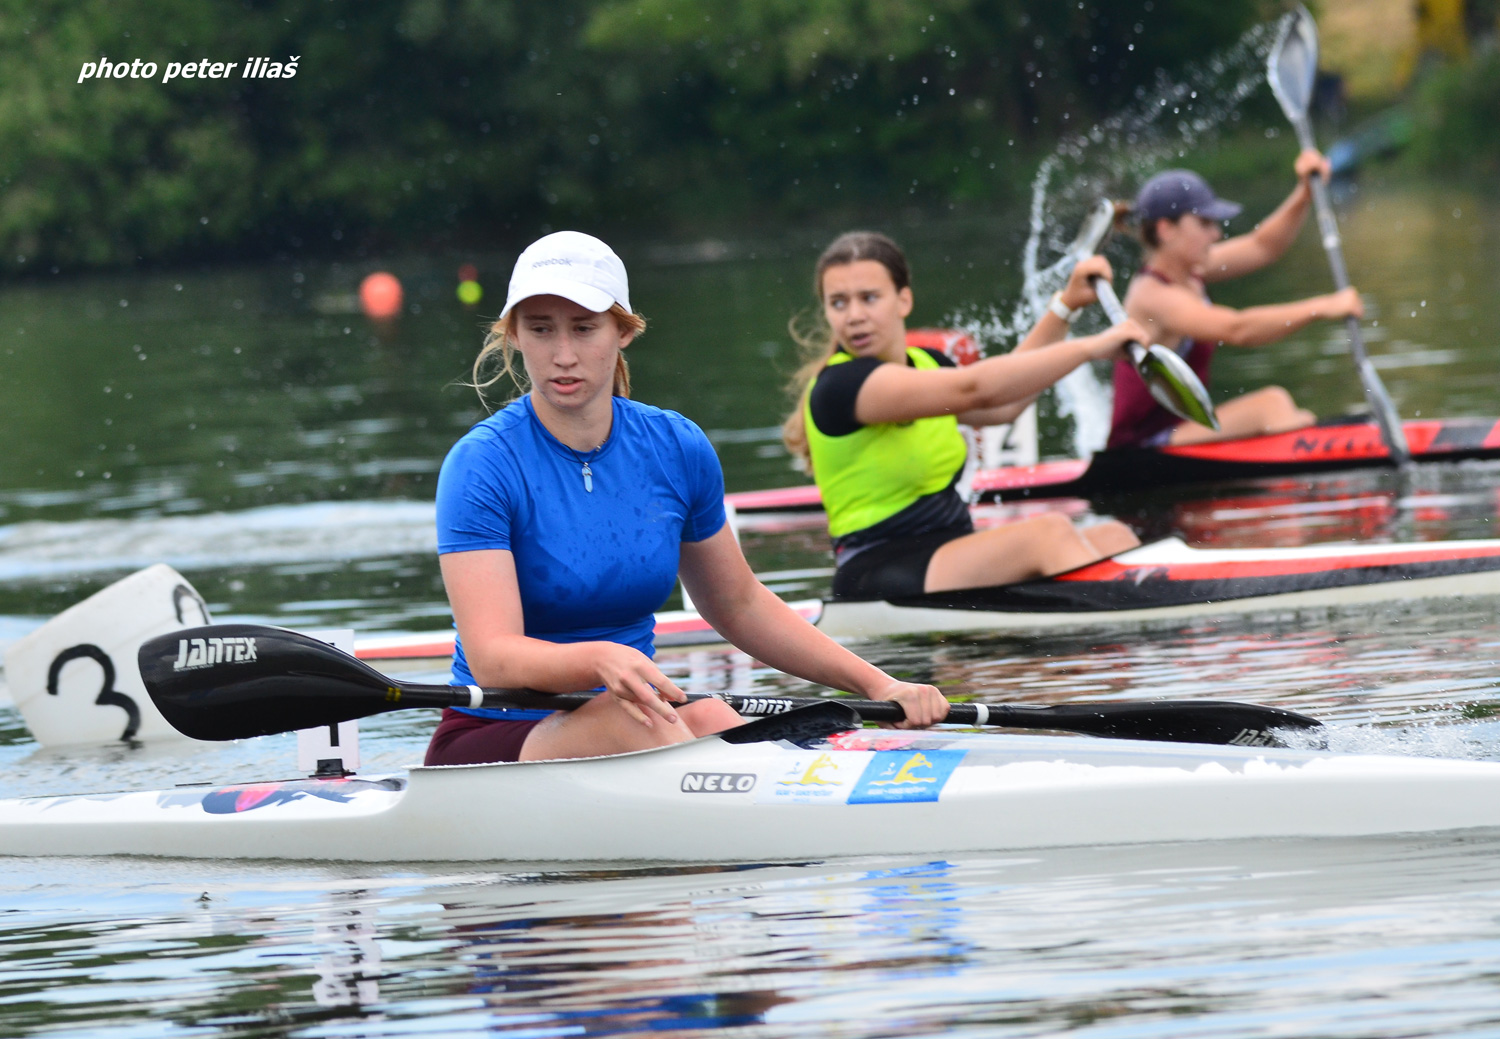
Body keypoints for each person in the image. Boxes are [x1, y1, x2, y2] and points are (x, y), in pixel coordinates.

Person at [426, 231, 948, 766]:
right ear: (514, 334)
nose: (563, 355)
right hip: (496, 731)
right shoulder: (482, 465)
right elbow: (492, 658)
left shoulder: (676, 447)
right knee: (659, 730)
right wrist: (601, 658)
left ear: (623, 331)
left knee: (719, 721)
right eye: (540, 330)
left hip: (641, 715)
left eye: (585, 329)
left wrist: (879, 685)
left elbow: (739, 604)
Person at [781, 230, 1150, 602]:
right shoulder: (842, 387)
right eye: (839, 303)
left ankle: (1129, 622)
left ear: (903, 300)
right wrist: (1091, 347)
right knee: (1049, 534)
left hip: (948, 551)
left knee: (1114, 536)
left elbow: (1003, 405)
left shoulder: (929, 365)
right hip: (876, 570)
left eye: (869, 298)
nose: (854, 316)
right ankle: (1140, 621)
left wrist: (1067, 306)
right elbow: (978, 387)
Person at [1111, 152, 1366, 450]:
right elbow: (1237, 329)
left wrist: (1304, 194)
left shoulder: (1191, 270)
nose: (1216, 233)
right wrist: (1321, 307)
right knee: (1270, 405)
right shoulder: (1152, 295)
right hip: (1139, 449)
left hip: (1180, 432)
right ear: (1166, 229)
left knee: (1282, 409)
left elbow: (1263, 247)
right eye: (1204, 222)